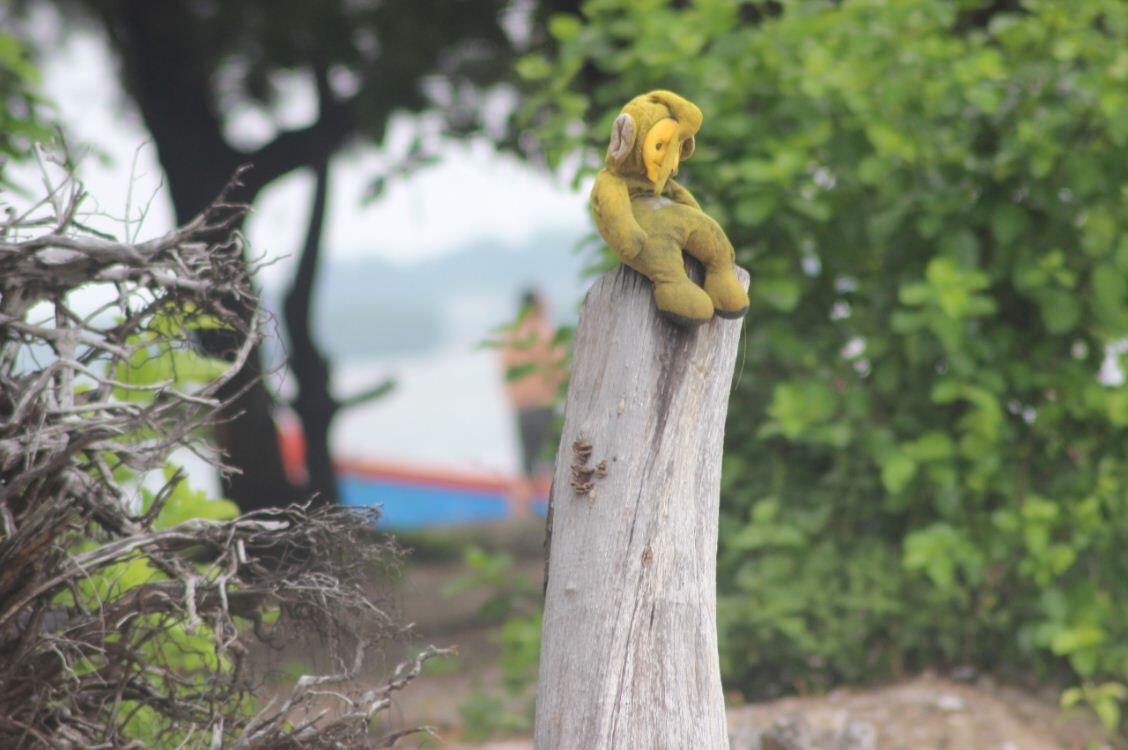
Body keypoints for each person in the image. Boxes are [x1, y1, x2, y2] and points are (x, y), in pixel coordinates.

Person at [499, 289, 565, 510]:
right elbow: (562, 371)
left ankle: (518, 514)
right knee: (557, 465)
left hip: (522, 409)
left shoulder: (511, 337)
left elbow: (506, 376)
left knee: (525, 467)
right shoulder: (546, 334)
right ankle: (556, 513)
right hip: (545, 407)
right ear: (537, 306)